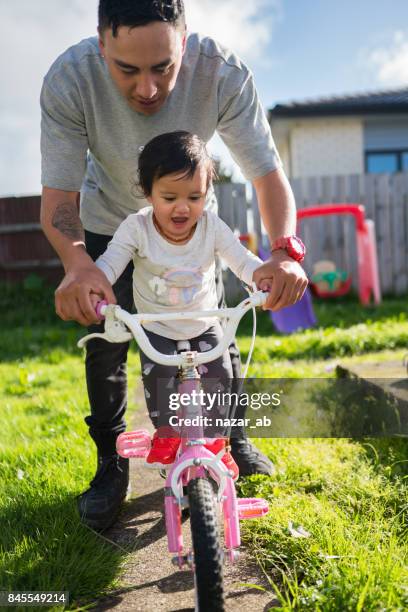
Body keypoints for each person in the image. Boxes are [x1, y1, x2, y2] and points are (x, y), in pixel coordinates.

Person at [40, 0, 308, 531]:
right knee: (109, 339)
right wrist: (76, 262)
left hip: (190, 221)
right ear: (101, 44)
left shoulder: (222, 73)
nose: (147, 89)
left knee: (213, 324)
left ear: (185, 41)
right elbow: (59, 197)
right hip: (107, 222)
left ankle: (233, 440)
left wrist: (282, 253)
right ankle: (111, 463)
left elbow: (267, 175)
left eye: (163, 68)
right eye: (127, 69)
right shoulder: (70, 80)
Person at [92, 130, 272, 486]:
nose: (183, 207)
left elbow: (242, 259)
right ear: (148, 193)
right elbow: (110, 262)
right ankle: (169, 437)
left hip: (205, 324)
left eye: (195, 196)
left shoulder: (211, 226)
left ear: (207, 194)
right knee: (161, 389)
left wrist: (260, 277)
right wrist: (95, 284)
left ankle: (219, 445)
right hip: (156, 328)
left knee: (222, 380)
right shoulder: (137, 227)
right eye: (169, 196)